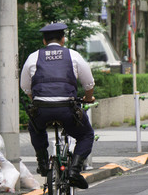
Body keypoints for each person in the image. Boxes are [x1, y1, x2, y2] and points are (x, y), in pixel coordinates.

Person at [20, 22, 95, 189]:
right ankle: (75, 170)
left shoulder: (34, 57)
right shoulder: (73, 55)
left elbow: (25, 86)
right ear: (63, 39)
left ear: (44, 41)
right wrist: (88, 98)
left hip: (42, 110)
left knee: (35, 128)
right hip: (67, 110)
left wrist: (37, 99)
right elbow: (88, 83)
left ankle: (43, 161)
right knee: (86, 135)